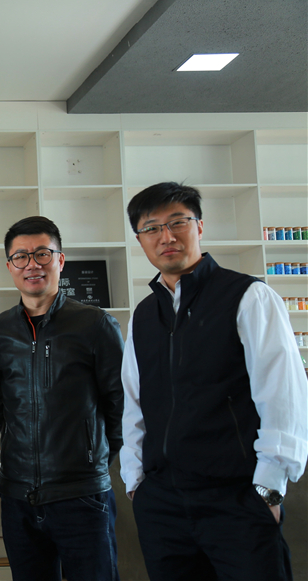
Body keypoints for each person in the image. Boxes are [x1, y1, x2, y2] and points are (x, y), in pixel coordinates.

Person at [120, 182, 307, 580]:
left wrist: (268, 488)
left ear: (199, 227)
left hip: (236, 498)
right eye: (151, 228)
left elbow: (284, 396)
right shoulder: (143, 315)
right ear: (140, 239)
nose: (166, 236)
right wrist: (136, 481)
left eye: (178, 222)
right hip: (162, 504)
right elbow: (134, 404)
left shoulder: (248, 296)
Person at [0, 215, 124, 581]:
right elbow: (0, 406)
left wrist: (91, 459)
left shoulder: (95, 325)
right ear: (9, 266)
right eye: (21, 257)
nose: (32, 264)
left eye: (42, 254)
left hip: (82, 495)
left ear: (60, 260)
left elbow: (119, 405)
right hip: (18, 496)